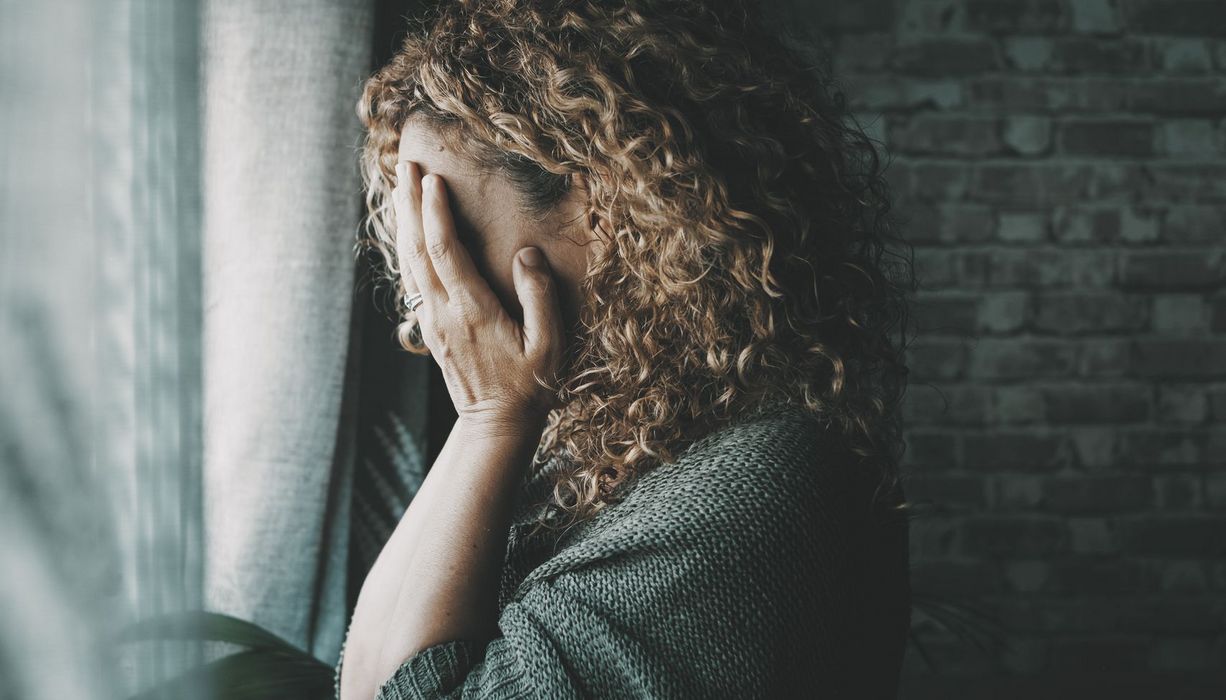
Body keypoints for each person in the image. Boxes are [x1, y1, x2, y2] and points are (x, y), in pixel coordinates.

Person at [337, 0, 916, 697]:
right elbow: (366, 682)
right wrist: (489, 422)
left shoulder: (757, 490)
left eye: (447, 232)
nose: (436, 298)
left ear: (608, 211)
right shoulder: (603, 443)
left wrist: (493, 417)